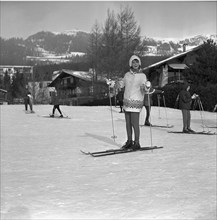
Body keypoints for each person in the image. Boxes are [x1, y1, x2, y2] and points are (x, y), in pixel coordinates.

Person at [121, 55, 148, 150]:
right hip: (127, 101)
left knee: (134, 123)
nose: (135, 64)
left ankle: (136, 142)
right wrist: (114, 84)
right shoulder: (127, 75)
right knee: (128, 123)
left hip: (136, 101)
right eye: (133, 62)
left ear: (139, 63)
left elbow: (145, 88)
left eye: (137, 62)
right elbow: (121, 84)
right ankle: (129, 141)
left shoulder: (142, 76)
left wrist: (146, 87)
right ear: (131, 64)